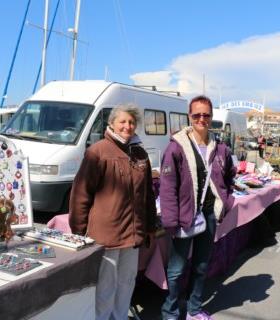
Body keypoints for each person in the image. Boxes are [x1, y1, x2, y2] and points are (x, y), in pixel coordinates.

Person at [69, 104, 157, 320]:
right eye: (123, 122)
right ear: (112, 124)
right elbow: (81, 194)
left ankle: (119, 317)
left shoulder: (140, 153)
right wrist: (78, 232)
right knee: (105, 285)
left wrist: (149, 227)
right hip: (105, 236)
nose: (128, 126)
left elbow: (147, 195)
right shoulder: (97, 152)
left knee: (127, 281)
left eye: (131, 122)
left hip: (133, 235)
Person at [159, 95, 236, 320]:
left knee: (201, 266)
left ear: (211, 117)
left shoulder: (220, 147)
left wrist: (227, 201)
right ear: (189, 116)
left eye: (206, 115)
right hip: (184, 216)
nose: (202, 119)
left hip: (210, 215)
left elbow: (230, 175)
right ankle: (170, 312)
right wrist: (171, 221)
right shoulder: (176, 147)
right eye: (197, 115)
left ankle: (193, 309)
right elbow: (167, 187)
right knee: (176, 270)